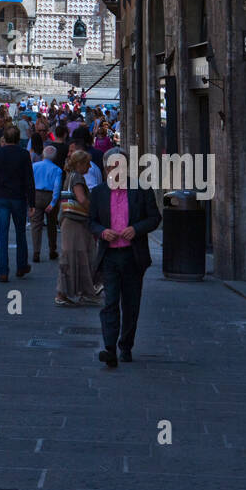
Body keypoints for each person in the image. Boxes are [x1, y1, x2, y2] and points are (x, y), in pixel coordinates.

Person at [89, 147, 161, 365]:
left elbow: (155, 218)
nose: (116, 171)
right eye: (112, 166)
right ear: (106, 167)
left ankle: (126, 345)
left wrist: (136, 229)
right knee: (110, 302)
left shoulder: (141, 190)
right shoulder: (99, 192)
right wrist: (102, 231)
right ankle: (109, 348)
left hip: (132, 255)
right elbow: (91, 221)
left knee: (131, 303)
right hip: (109, 256)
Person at [0, 125, 35, 282]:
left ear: (5, 138)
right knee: (20, 233)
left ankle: (3, 271)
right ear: (18, 138)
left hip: (1, 197)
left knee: (2, 235)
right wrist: (32, 202)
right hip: (18, 197)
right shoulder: (24, 154)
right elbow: (29, 179)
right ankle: (21, 266)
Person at [53, 152, 100, 307]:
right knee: (73, 256)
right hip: (75, 221)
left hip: (70, 220)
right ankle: (64, 293)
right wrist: (94, 211)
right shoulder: (77, 177)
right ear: (79, 164)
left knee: (77, 255)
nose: (89, 167)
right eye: (87, 164)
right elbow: (81, 199)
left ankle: (80, 291)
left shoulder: (69, 175)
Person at [30, 144, 62, 262]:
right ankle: (52, 250)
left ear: (43, 154)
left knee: (36, 225)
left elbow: (30, 183)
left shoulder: (34, 166)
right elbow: (57, 187)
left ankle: (36, 251)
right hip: (49, 195)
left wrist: (30, 199)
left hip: (37, 194)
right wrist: (53, 202)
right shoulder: (57, 169)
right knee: (52, 224)